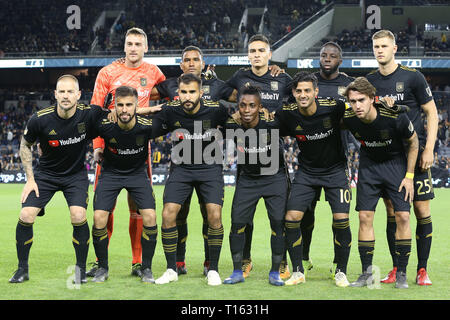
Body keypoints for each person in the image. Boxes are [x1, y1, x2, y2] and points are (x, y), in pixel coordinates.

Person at [87, 27, 166, 278]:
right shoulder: (108, 72)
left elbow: (169, 93)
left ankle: (138, 261)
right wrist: (97, 147)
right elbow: (94, 113)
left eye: (137, 44)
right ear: (124, 46)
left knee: (140, 208)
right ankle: (101, 262)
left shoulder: (153, 72)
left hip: (139, 150)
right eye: (129, 43)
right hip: (109, 149)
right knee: (103, 209)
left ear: (146, 47)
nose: (133, 48)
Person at [9, 75, 98, 284]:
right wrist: (30, 179)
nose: (66, 96)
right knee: (26, 214)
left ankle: (80, 270)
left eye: (70, 92)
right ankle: (22, 269)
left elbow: (120, 114)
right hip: (46, 175)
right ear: (55, 94)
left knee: (78, 214)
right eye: (62, 92)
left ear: (78, 95)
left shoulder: (88, 115)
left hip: (75, 175)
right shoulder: (40, 118)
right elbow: (25, 145)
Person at [367, 29, 438, 285]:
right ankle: (398, 267)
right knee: (394, 213)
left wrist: (429, 148)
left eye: (384, 46)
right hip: (388, 159)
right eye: (376, 47)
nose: (380, 51)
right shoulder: (369, 81)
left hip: (415, 156)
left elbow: (431, 112)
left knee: (420, 210)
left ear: (394, 48)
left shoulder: (413, 77)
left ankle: (422, 269)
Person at [151, 73, 230, 286]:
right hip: (182, 170)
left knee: (214, 215)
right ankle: (170, 269)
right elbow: (149, 129)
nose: (187, 96)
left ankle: (213, 269)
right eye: (183, 92)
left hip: (210, 169)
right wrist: (139, 111)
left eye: (192, 92)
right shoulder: (169, 111)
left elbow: (237, 124)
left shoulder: (216, 110)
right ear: (178, 93)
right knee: (168, 214)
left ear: (200, 92)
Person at [224, 34, 293, 279]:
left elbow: (300, 100)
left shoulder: (282, 77)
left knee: (279, 220)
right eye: (252, 50)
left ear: (269, 54)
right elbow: (221, 93)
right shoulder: (240, 76)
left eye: (261, 50)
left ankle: (282, 263)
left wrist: (281, 117)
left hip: (274, 157)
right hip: (247, 162)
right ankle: (244, 261)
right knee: (242, 220)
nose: (256, 54)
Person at [275, 72, 352, 287]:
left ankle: (341, 271)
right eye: (298, 91)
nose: (303, 94)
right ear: (293, 92)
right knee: (291, 218)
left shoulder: (334, 106)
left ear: (316, 92)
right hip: (307, 173)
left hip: (335, 171)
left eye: (307, 90)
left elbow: (358, 113)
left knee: (341, 219)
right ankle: (298, 270)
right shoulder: (287, 113)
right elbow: (269, 125)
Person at [343, 77, 419, 289]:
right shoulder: (348, 117)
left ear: (372, 99)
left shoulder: (395, 116)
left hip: (396, 165)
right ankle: (367, 273)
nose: (357, 105)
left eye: (361, 100)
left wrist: (410, 176)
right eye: (352, 101)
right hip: (369, 166)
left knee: (403, 216)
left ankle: (401, 273)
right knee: (364, 216)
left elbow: (413, 144)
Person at [90, 86, 159, 283]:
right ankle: (102, 268)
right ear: (115, 106)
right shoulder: (105, 125)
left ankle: (146, 268)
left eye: (129, 105)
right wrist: (96, 149)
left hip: (137, 174)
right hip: (111, 173)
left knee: (150, 216)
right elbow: (84, 125)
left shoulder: (147, 126)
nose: (124, 109)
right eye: (120, 105)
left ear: (137, 105)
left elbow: (172, 120)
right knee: (99, 217)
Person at [299, 41, 355, 273]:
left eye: (332, 56)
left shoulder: (349, 84)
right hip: (309, 161)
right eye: (323, 55)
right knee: (304, 214)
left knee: (339, 216)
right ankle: (302, 258)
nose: (327, 58)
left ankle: (338, 264)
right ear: (319, 58)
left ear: (340, 61)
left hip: (336, 160)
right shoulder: (308, 82)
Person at [222, 85, 287, 286]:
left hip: (274, 177)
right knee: (237, 224)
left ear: (260, 107)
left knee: (278, 223)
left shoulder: (274, 123)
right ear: (237, 107)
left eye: (252, 105)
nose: (247, 110)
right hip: (248, 179)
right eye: (243, 105)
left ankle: (275, 271)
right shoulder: (231, 125)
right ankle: (237, 270)